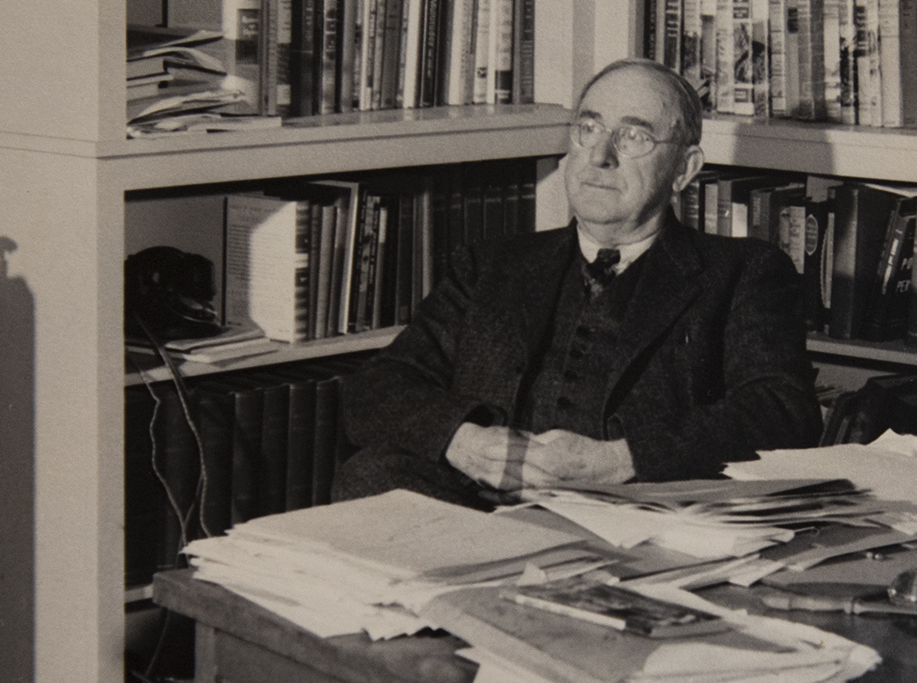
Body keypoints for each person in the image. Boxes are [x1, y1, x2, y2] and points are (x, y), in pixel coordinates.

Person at [335, 57, 821, 505]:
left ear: (684, 170)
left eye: (633, 137)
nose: (600, 155)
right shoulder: (491, 266)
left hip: (636, 514)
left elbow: (783, 413)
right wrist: (464, 441)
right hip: (476, 507)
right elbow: (376, 387)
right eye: (588, 128)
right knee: (371, 474)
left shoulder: (743, 272)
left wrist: (621, 461)